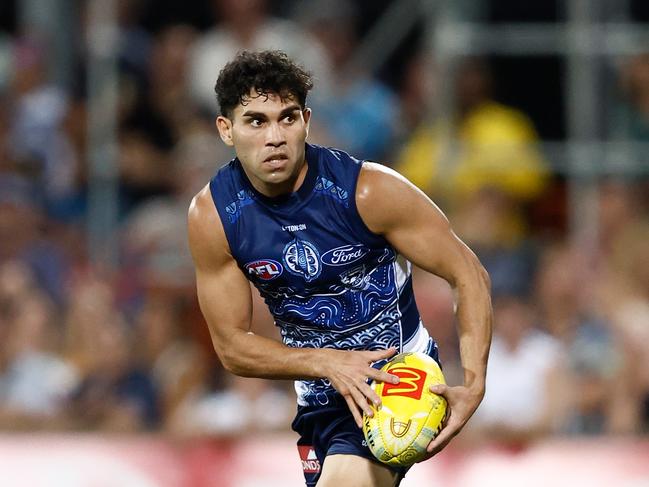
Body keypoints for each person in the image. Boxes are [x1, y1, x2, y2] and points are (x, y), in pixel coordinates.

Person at [187, 50, 492, 487]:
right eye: (256, 121)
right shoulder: (215, 216)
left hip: (396, 380)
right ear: (226, 130)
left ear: (306, 120)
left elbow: (468, 273)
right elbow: (232, 346)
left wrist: (475, 383)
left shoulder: (368, 192)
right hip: (320, 396)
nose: (275, 136)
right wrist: (328, 364)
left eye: (288, 118)